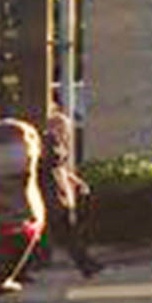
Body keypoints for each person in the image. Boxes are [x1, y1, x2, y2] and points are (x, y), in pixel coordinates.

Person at [42, 104, 101, 278]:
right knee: (66, 231)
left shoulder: (56, 143)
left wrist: (77, 182)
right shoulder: (49, 142)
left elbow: (63, 169)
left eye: (65, 127)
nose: (66, 131)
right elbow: (53, 167)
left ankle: (86, 264)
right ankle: (86, 265)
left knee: (68, 231)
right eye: (62, 127)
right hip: (52, 192)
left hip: (59, 191)